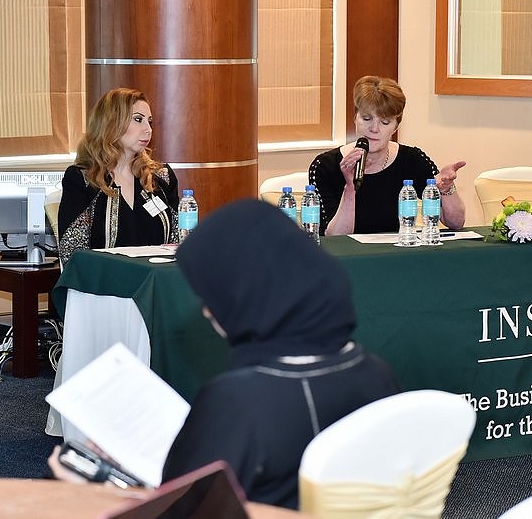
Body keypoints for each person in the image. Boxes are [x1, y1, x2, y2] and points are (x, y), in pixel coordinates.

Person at [160, 199, 399, 508]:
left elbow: (176, 508)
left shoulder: (236, 403)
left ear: (247, 294)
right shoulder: (377, 374)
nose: (207, 311)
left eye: (214, 295)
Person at [309, 75, 466, 235]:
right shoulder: (325, 166)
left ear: (395, 127)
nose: (374, 128)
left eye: (385, 122)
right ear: (355, 118)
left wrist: (447, 188)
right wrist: (350, 187)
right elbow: (335, 238)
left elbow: (456, 223)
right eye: (367, 118)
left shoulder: (412, 159)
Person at [58, 88, 179, 264]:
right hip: (105, 279)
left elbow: (180, 242)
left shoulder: (161, 177)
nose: (148, 129)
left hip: (157, 278)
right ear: (112, 122)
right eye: (138, 119)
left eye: (150, 122)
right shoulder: (82, 179)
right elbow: (72, 253)